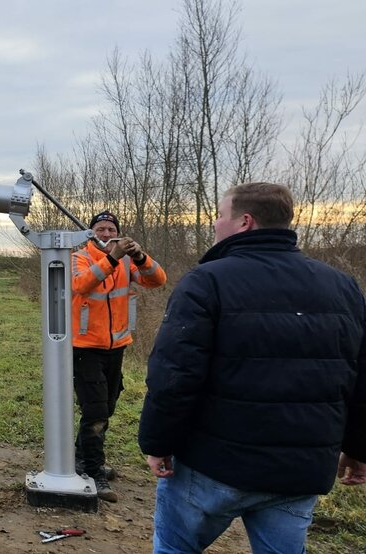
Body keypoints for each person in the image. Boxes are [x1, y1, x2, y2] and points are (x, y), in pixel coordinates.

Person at [138, 182, 366, 552]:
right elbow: (361, 378)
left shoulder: (206, 282)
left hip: (214, 465)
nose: (214, 224)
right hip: (301, 471)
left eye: (220, 215)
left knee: (175, 546)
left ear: (245, 221)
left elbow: (174, 377)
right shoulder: (343, 287)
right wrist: (358, 447)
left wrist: (158, 442)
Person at [71, 209, 167, 502]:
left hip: (116, 346)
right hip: (85, 347)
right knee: (96, 411)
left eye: (111, 230)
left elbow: (157, 279)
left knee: (107, 407)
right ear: (91, 233)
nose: (106, 234)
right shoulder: (79, 257)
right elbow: (81, 284)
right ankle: (94, 471)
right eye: (100, 229)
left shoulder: (127, 261)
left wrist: (139, 257)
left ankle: (81, 459)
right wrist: (112, 258)